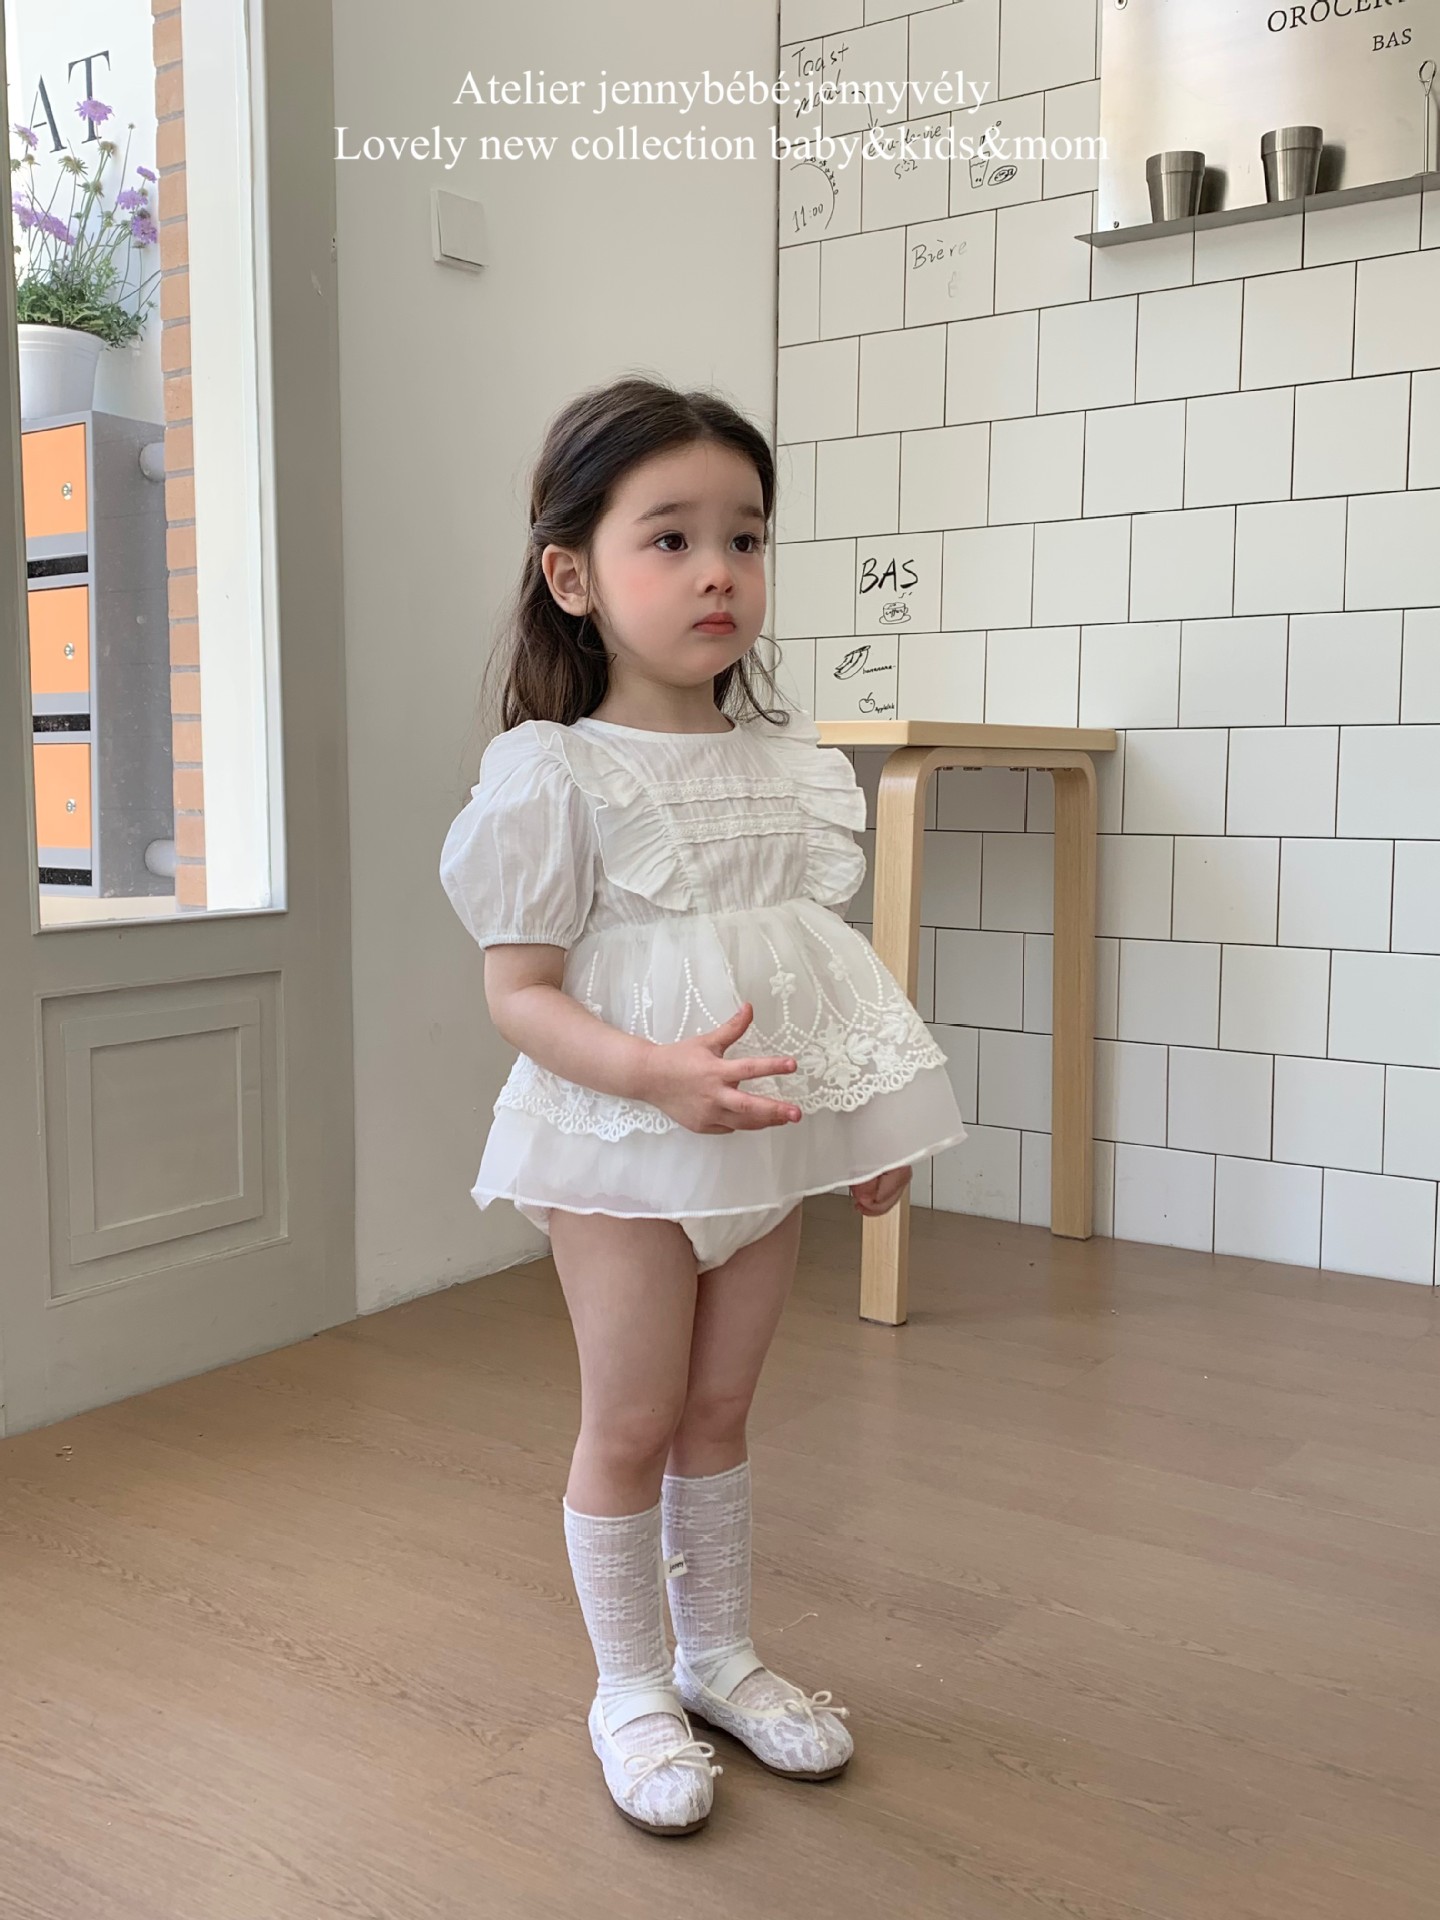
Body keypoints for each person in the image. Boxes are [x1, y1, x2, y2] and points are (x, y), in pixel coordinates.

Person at [438, 375, 968, 1837]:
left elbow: (811, 979)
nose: (718, 570)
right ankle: (629, 1686)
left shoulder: (792, 771)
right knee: (634, 1416)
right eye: (669, 538)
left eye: (745, 536)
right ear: (575, 577)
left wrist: (863, 1130)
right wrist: (651, 1075)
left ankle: (717, 1656)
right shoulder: (556, 776)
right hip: (620, 1152)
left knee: (723, 1411)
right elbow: (522, 993)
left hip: (757, 1156)